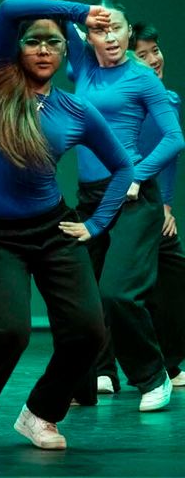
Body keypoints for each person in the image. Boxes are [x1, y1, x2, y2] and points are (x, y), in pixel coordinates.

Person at [0, 0, 132, 457]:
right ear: (17, 47)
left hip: (53, 229)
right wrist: (78, 12)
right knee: (8, 331)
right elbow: (7, 9)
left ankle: (41, 413)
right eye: (33, 41)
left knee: (89, 331)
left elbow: (123, 167)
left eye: (54, 43)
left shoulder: (75, 111)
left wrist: (95, 224)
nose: (44, 50)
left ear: (65, 51)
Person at [53, 0, 183, 411]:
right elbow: (60, 21)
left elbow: (174, 138)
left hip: (132, 198)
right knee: (82, 298)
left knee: (117, 293)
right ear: (88, 36)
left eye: (117, 30)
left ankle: (153, 375)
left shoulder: (142, 78)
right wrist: (66, 5)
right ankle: (91, 380)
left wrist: (138, 174)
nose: (109, 38)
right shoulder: (84, 66)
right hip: (91, 197)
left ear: (128, 34)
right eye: (100, 30)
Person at [132, 23, 185, 387]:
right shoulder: (126, 101)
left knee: (173, 277)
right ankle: (104, 370)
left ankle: (170, 363)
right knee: (122, 288)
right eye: (143, 54)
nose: (154, 59)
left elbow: (171, 158)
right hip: (127, 199)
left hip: (155, 204)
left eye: (156, 50)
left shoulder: (170, 101)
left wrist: (166, 205)